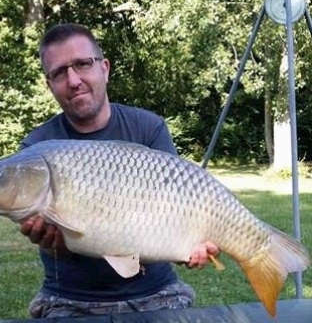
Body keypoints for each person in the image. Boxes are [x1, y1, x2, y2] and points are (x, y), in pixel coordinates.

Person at [20, 23, 219, 318]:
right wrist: (55, 246)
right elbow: (49, 236)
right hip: (70, 298)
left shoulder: (149, 128)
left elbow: (176, 212)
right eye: (59, 73)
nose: (73, 80)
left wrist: (189, 246)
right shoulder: (37, 147)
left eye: (82, 64)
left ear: (104, 68)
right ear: (49, 84)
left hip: (155, 290)